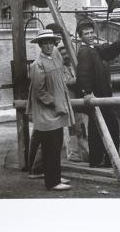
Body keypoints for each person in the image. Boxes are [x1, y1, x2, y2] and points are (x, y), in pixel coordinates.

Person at [75, 18, 120, 168]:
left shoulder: (94, 49)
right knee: (108, 126)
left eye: (91, 32)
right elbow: (83, 75)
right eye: (86, 33)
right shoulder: (84, 52)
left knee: (101, 127)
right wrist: (87, 93)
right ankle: (106, 159)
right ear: (80, 36)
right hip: (96, 98)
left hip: (102, 97)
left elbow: (108, 52)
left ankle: (102, 159)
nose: (90, 35)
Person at [27, 29, 74, 191]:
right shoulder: (38, 65)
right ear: (40, 45)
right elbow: (40, 92)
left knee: (57, 145)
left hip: (57, 111)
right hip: (48, 113)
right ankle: (52, 182)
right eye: (44, 43)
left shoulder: (55, 58)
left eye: (50, 42)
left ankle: (55, 175)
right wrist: (55, 103)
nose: (48, 46)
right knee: (50, 147)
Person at [58, 45, 89, 163]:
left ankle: (83, 153)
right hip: (68, 101)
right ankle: (72, 153)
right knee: (70, 128)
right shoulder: (60, 68)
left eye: (67, 53)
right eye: (63, 54)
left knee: (79, 127)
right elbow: (67, 82)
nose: (66, 56)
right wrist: (81, 78)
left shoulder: (72, 66)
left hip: (77, 102)